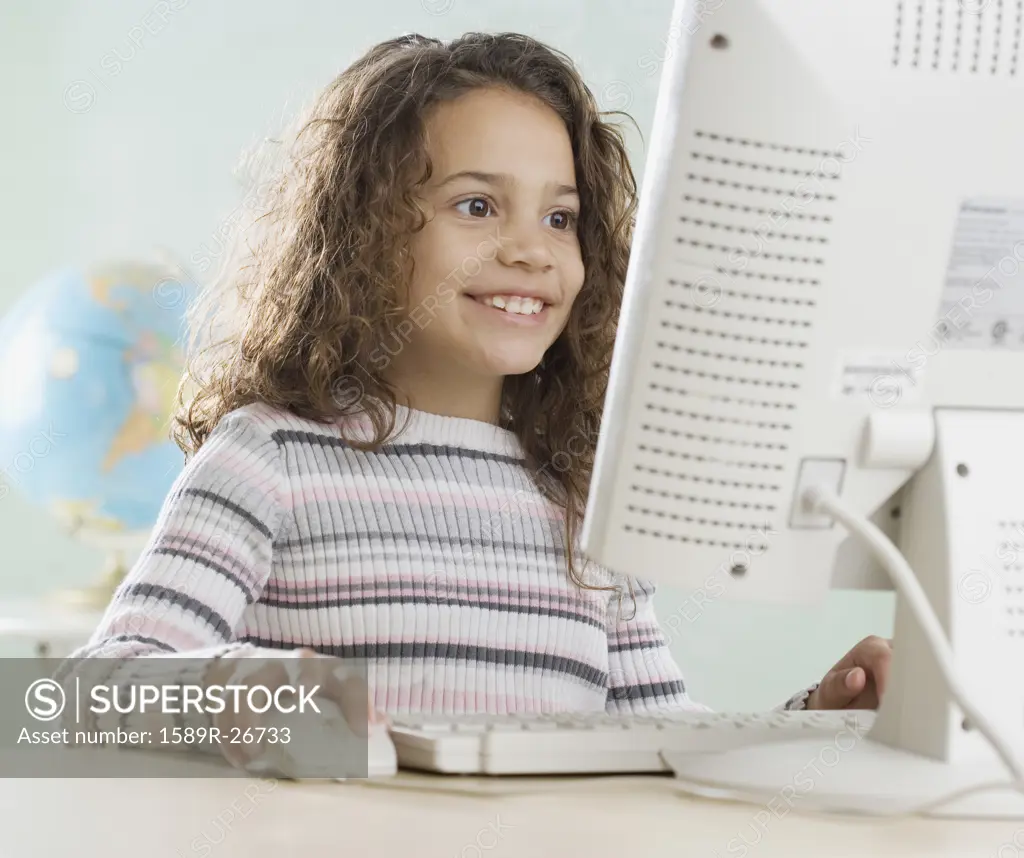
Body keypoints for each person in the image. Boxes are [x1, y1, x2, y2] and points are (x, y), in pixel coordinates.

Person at [60, 31, 891, 772]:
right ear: (367, 236)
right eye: (477, 206)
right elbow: (97, 692)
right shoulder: (270, 458)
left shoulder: (576, 500)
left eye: (561, 218)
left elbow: (660, 742)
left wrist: (813, 723)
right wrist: (255, 695)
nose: (531, 249)